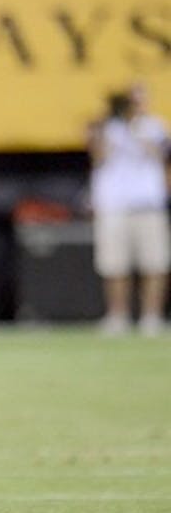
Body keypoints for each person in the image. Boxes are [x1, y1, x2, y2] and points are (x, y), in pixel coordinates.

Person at [87, 83, 170, 336]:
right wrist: (106, 125)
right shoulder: (107, 128)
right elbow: (97, 157)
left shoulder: (154, 127)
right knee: (115, 265)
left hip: (147, 204)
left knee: (154, 263)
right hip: (115, 205)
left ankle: (151, 317)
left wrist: (136, 129)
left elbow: (162, 157)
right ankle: (117, 315)